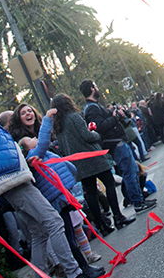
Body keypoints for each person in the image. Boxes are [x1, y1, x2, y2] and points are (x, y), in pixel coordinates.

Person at [0, 41, 102, 278]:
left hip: (12, 182)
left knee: (38, 232)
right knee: (54, 222)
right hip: (12, 182)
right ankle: (74, 276)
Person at [18, 110, 100, 271]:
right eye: (30, 139)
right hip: (56, 197)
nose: (34, 138)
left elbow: (65, 165)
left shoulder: (44, 154)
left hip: (63, 195)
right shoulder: (34, 155)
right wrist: (47, 118)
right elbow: (42, 141)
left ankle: (83, 265)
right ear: (27, 149)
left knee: (73, 230)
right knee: (68, 235)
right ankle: (81, 267)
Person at [50, 93, 134, 236]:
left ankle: (102, 225)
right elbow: (87, 136)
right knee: (109, 184)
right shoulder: (74, 117)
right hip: (92, 157)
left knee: (90, 193)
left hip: (78, 163)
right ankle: (118, 217)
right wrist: (96, 135)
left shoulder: (57, 126)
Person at [79, 79, 155, 213]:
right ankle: (137, 202)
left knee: (132, 171)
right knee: (129, 173)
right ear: (92, 89)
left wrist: (115, 115)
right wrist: (114, 117)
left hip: (117, 142)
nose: (98, 88)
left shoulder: (93, 106)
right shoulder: (91, 108)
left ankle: (139, 198)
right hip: (115, 143)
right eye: (95, 86)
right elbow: (99, 127)